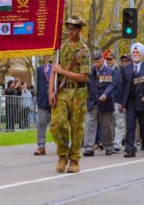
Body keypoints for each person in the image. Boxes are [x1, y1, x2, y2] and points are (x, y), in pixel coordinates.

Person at [49, 14, 90, 173]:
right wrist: (50, 91)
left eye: (73, 28)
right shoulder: (60, 47)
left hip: (78, 91)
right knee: (57, 124)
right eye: (68, 28)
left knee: (76, 127)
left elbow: (85, 77)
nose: (70, 31)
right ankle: (62, 154)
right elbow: (54, 69)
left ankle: (74, 159)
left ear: (79, 30)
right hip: (62, 90)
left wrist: (62, 71)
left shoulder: (84, 51)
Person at [120, 43, 144, 157]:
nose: (135, 54)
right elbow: (123, 86)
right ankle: (130, 149)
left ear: (142, 54)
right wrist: (122, 103)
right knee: (130, 125)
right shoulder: (126, 68)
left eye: (137, 52)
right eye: (134, 52)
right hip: (131, 102)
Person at [83, 52, 116, 156]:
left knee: (106, 126)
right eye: (94, 62)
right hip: (92, 102)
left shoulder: (110, 71)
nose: (96, 64)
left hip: (105, 102)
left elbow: (111, 85)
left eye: (98, 61)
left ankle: (108, 146)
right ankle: (89, 147)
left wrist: (105, 94)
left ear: (103, 60)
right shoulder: (89, 71)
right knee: (89, 124)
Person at [34, 59, 52, 155]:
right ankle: (41, 146)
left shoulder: (61, 68)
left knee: (59, 124)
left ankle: (62, 145)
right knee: (41, 123)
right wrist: (37, 98)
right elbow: (37, 84)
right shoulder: (40, 69)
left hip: (57, 99)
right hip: (42, 99)